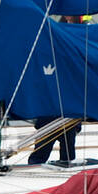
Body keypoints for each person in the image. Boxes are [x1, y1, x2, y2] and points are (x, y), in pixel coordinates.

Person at [28, 15, 83, 165]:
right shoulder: (44, 55)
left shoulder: (74, 55)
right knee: (41, 152)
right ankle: (36, 166)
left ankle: (66, 169)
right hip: (50, 111)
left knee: (67, 154)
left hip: (67, 111)